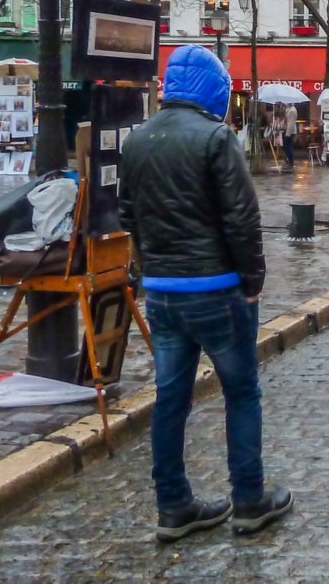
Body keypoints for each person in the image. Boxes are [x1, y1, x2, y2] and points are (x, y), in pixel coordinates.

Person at [118, 44, 292, 543]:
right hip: (217, 289)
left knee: (170, 400)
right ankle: (249, 500)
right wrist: (252, 282)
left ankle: (174, 506)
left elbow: (128, 213)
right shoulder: (217, 138)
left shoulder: (137, 140)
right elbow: (242, 218)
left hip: (163, 292)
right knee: (241, 392)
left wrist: (152, 265)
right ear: (214, 89)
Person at [282, 102, 299, 169]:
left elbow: (291, 123)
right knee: (285, 147)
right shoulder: (288, 109)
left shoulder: (292, 110)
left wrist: (287, 134)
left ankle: (290, 162)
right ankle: (288, 161)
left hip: (290, 131)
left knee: (288, 147)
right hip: (287, 130)